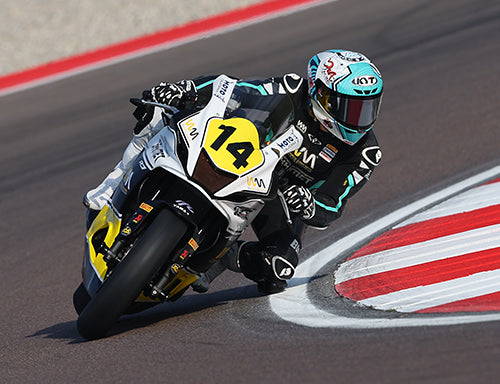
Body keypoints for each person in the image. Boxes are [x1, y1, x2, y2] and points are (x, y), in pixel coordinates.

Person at [84, 49, 383, 294]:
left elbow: (332, 205)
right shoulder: (292, 88)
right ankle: (111, 188)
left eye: (367, 108)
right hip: (244, 155)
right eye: (349, 107)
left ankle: (220, 256)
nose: (358, 119)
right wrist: (184, 89)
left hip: (280, 195)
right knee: (160, 113)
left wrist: (307, 201)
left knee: (278, 267)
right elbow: (232, 89)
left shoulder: (365, 152)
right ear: (320, 94)